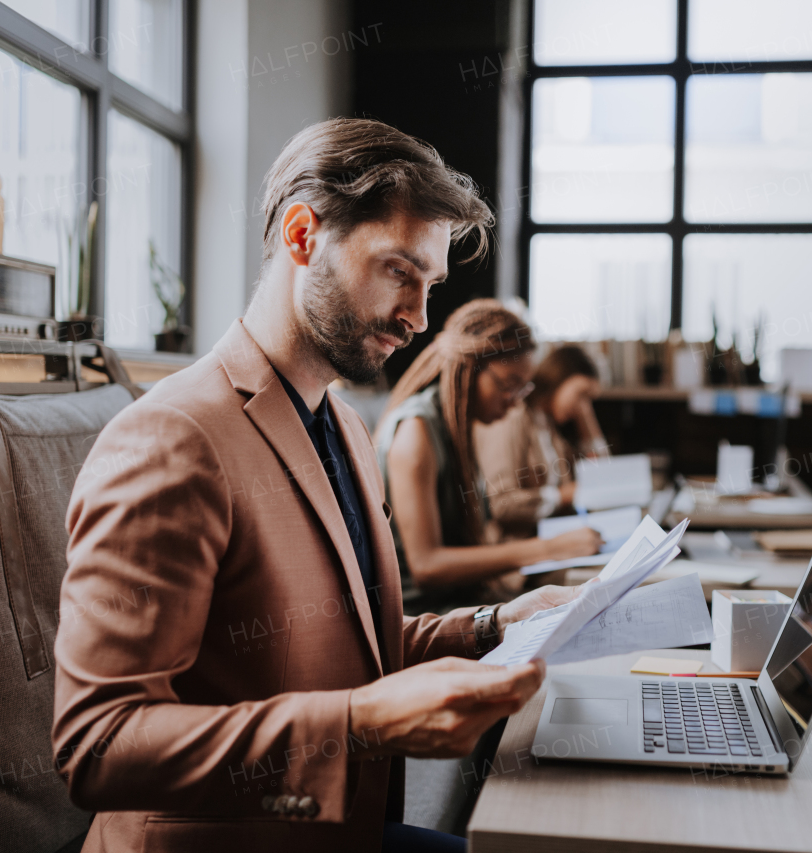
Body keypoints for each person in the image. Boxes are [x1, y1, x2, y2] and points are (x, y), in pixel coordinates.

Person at [51, 118, 586, 853]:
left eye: (429, 284)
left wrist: (496, 625)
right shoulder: (172, 437)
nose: (419, 317)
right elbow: (98, 741)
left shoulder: (342, 422)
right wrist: (358, 724)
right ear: (303, 235)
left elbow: (336, 640)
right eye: (399, 270)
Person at [375, 302, 603, 614]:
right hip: (425, 616)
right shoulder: (416, 433)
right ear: (470, 369)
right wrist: (547, 549)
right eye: (509, 386)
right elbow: (426, 566)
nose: (515, 401)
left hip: (461, 603)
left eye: (524, 388)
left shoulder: (459, 428)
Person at [476, 344, 611, 541]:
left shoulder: (547, 426)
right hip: (518, 551)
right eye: (581, 394)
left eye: (589, 400)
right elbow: (502, 504)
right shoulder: (512, 417)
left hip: (553, 543)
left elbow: (603, 474)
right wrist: (561, 496)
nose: (582, 406)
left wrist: (586, 419)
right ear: (559, 378)